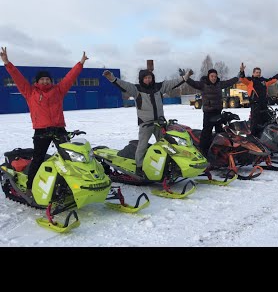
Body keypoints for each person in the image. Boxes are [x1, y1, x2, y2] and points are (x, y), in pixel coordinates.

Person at [1, 47, 88, 200]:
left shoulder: (58, 90)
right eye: (42, 79)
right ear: (37, 81)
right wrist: (7, 63)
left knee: (68, 157)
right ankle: (30, 187)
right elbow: (18, 78)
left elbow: (69, 78)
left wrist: (80, 64)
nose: (45, 81)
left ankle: (72, 185)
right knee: (38, 158)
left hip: (59, 129)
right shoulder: (30, 92)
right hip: (41, 131)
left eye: (47, 79)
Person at [102, 68, 181, 176]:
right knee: (142, 145)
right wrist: (112, 78)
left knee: (168, 143)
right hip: (146, 123)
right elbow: (123, 84)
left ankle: (172, 164)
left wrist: (184, 78)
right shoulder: (136, 89)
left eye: (150, 77)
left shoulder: (158, 88)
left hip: (159, 123)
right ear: (142, 79)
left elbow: (172, 83)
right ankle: (139, 167)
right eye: (146, 78)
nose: (148, 80)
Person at [181, 67, 240, 156]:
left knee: (220, 132)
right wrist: (187, 76)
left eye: (215, 76)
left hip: (217, 112)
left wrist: (240, 73)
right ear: (208, 76)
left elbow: (230, 82)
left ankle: (220, 153)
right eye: (212, 76)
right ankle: (202, 152)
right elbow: (192, 83)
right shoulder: (203, 84)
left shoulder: (219, 84)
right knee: (206, 133)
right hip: (208, 113)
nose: (214, 78)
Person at [239, 63, 278, 137]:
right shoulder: (250, 81)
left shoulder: (264, 81)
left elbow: (273, 79)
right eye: (257, 72)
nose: (258, 74)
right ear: (253, 73)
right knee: (255, 123)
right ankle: (252, 137)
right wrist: (241, 71)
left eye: (259, 72)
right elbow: (242, 79)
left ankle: (263, 136)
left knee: (266, 122)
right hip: (255, 105)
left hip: (264, 105)